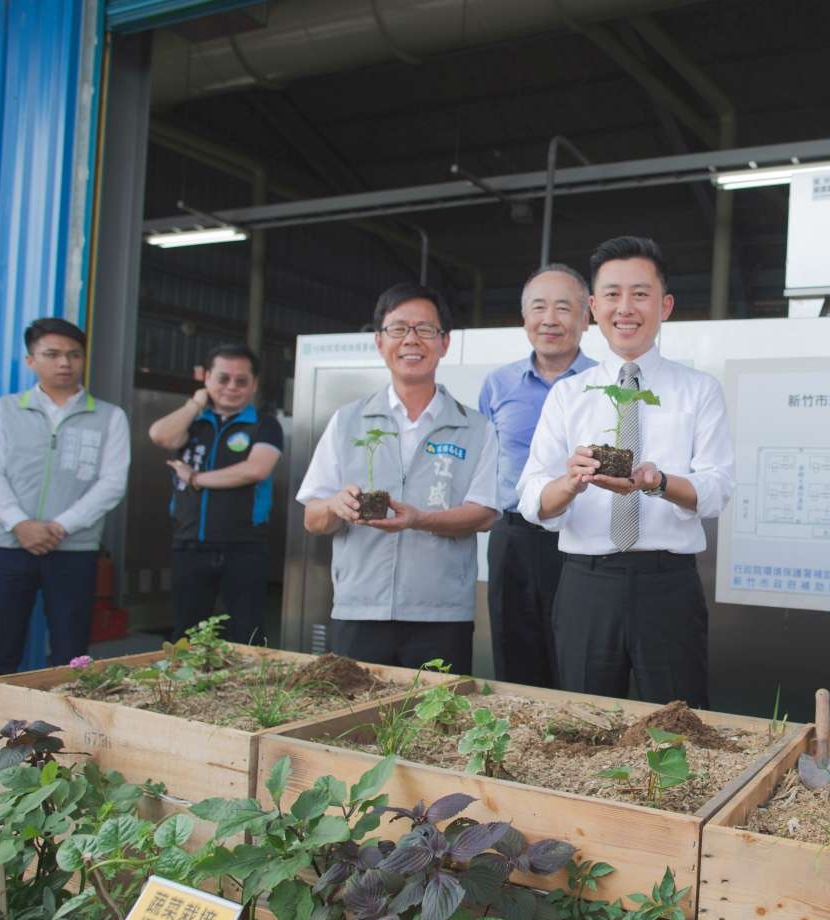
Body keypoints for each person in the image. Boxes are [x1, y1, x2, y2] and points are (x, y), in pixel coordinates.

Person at [517, 236, 734, 706]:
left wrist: (656, 482)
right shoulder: (569, 395)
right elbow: (532, 498)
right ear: (593, 307)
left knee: (679, 727)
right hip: (585, 584)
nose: (626, 308)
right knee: (582, 728)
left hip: (668, 586)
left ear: (666, 305)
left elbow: (716, 489)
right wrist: (570, 482)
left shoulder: (699, 390)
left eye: (641, 294)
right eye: (612, 295)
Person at [296, 284, 498, 671]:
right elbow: (312, 518)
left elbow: (485, 513)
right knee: (352, 726)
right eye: (398, 329)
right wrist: (336, 505)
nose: (411, 340)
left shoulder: (476, 427)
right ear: (378, 341)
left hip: (442, 614)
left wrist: (420, 520)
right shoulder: (348, 421)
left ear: (444, 343)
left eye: (425, 330)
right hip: (359, 607)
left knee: (435, 726)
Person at [0, 318, 130, 676]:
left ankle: (64, 728)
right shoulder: (6, 410)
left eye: (74, 354)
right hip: (7, 546)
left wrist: (59, 526)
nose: (64, 363)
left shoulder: (109, 417)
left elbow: (112, 483)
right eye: (53, 354)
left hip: (73, 549)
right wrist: (20, 524)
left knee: (70, 651)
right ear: (31, 360)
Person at [478, 264, 596, 687]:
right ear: (524, 317)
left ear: (586, 318)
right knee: (514, 655)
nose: (550, 319)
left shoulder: (604, 383)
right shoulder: (498, 383)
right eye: (538, 307)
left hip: (582, 538)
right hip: (514, 537)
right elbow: (484, 459)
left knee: (579, 657)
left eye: (564, 308)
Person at [147, 344, 283, 645]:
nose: (232, 387)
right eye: (223, 379)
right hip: (189, 543)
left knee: (247, 632)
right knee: (187, 632)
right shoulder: (193, 423)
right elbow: (159, 435)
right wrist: (195, 405)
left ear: (254, 384)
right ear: (206, 378)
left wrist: (196, 478)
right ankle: (183, 690)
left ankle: (249, 692)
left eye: (241, 380)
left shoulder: (264, 424)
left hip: (244, 546)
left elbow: (255, 469)